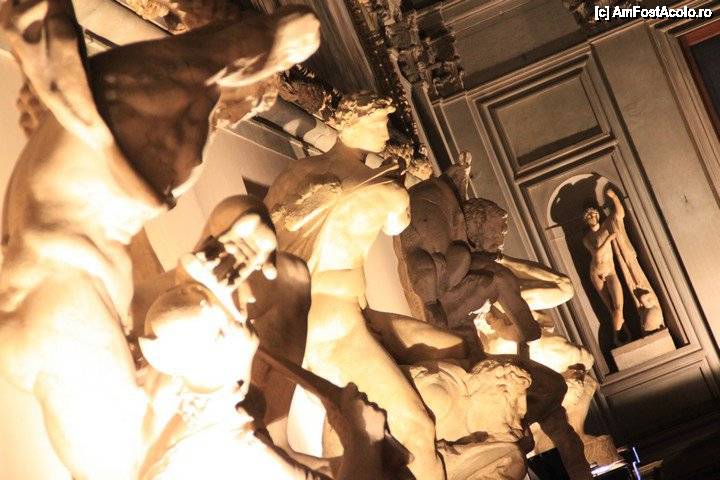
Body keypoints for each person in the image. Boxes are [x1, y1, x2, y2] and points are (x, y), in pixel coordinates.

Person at [0, 1, 320, 477]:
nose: (246, 109)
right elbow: (249, 45)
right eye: (256, 97)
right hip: (62, 310)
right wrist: (275, 40)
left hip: (78, 301)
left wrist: (245, 224)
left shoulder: (145, 92)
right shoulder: (160, 82)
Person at [138, 195, 394, 480]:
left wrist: (246, 221)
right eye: (235, 317)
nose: (243, 307)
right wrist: (365, 437)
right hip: (242, 451)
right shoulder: (233, 447)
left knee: (290, 279)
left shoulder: (185, 363)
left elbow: (232, 243)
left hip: (251, 433)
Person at [265, 93, 446, 480]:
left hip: (311, 308)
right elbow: (397, 224)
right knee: (416, 425)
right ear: (352, 124)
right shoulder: (388, 189)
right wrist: (396, 179)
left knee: (351, 424)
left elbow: (269, 232)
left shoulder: (297, 173)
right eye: (379, 123)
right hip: (333, 321)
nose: (386, 133)